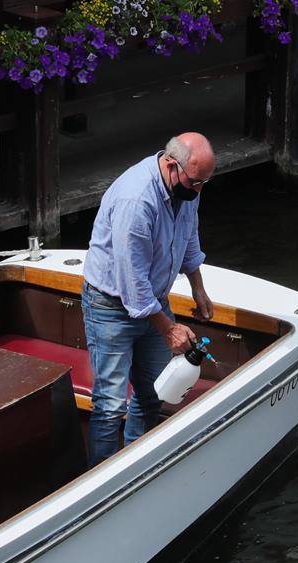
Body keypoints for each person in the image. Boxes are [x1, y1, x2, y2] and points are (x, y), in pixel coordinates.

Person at [81, 132, 216, 466]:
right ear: (172, 165)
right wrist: (169, 329)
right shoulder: (137, 201)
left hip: (153, 301)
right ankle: (102, 482)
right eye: (195, 182)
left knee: (154, 393)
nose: (198, 190)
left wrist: (198, 287)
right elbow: (132, 282)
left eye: (204, 183)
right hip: (110, 308)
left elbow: (188, 235)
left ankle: (135, 464)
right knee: (110, 407)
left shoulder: (188, 187)